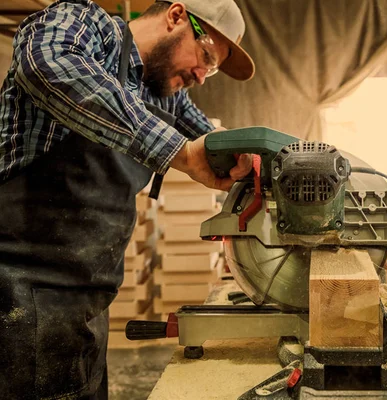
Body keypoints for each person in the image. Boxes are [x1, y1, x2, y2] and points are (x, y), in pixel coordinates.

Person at [0, 0, 254, 398]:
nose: (203, 77)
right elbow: (48, 66)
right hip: (21, 293)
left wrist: (253, 159)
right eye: (206, 56)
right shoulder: (84, 25)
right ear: (175, 16)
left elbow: (215, 144)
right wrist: (180, 152)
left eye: (213, 69)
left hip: (90, 300)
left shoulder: (163, 92)